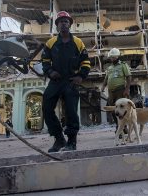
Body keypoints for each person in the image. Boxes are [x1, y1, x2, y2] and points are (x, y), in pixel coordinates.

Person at [42, 11, 91, 152]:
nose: (63, 23)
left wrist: (81, 76)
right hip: (56, 81)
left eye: (66, 21)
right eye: (60, 21)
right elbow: (45, 61)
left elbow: (86, 61)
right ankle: (59, 139)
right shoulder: (50, 43)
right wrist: (50, 72)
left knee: (71, 111)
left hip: (71, 81)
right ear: (57, 25)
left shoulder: (77, 42)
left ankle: (72, 142)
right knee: (46, 106)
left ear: (70, 24)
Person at [101, 48, 131, 133]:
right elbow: (106, 79)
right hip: (111, 92)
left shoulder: (123, 65)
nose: (112, 58)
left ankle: (123, 127)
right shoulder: (109, 68)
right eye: (111, 57)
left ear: (117, 57)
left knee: (122, 109)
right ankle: (118, 126)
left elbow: (128, 77)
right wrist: (103, 86)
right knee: (113, 110)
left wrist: (127, 89)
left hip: (120, 90)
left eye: (114, 57)